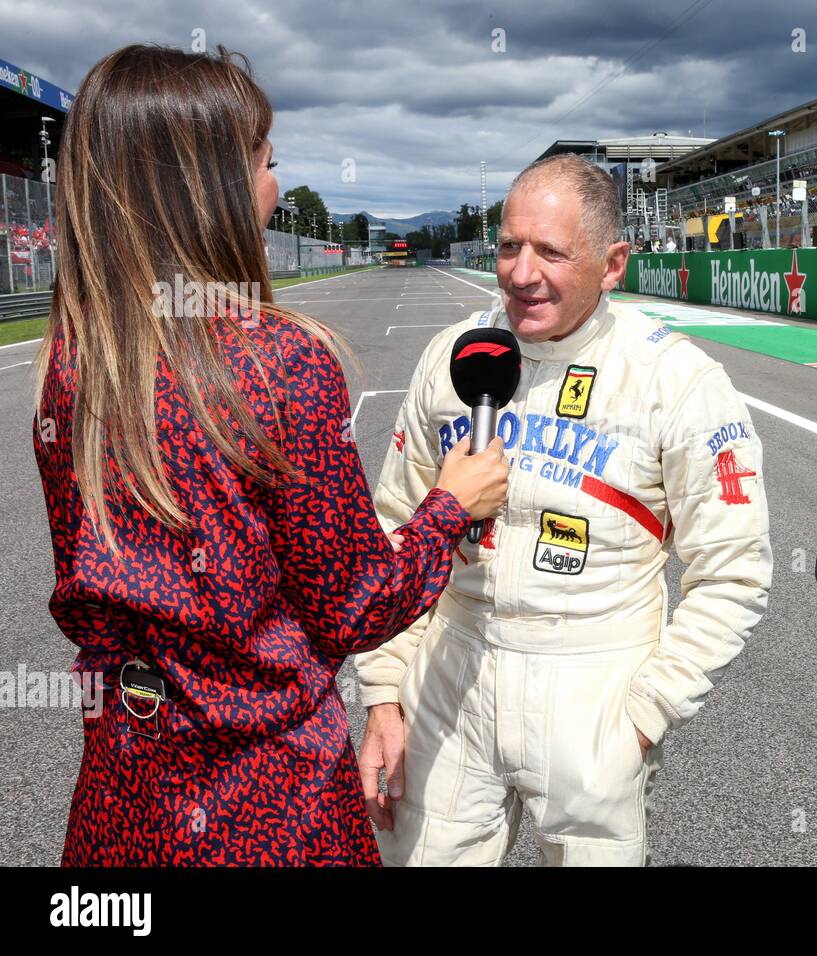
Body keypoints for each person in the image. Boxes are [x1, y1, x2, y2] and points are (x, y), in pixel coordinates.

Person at [32, 45, 508, 867]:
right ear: (210, 188)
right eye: (266, 161)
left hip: (123, 786)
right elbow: (354, 607)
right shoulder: (279, 360)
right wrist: (449, 506)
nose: (273, 186)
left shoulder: (72, 362)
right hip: (268, 794)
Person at [356, 154, 772, 866]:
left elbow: (734, 571)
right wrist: (384, 694)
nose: (521, 273)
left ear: (612, 265)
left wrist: (643, 717)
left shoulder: (675, 380)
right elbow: (392, 526)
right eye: (510, 246)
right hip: (451, 669)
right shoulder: (451, 356)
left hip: (595, 683)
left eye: (551, 251)